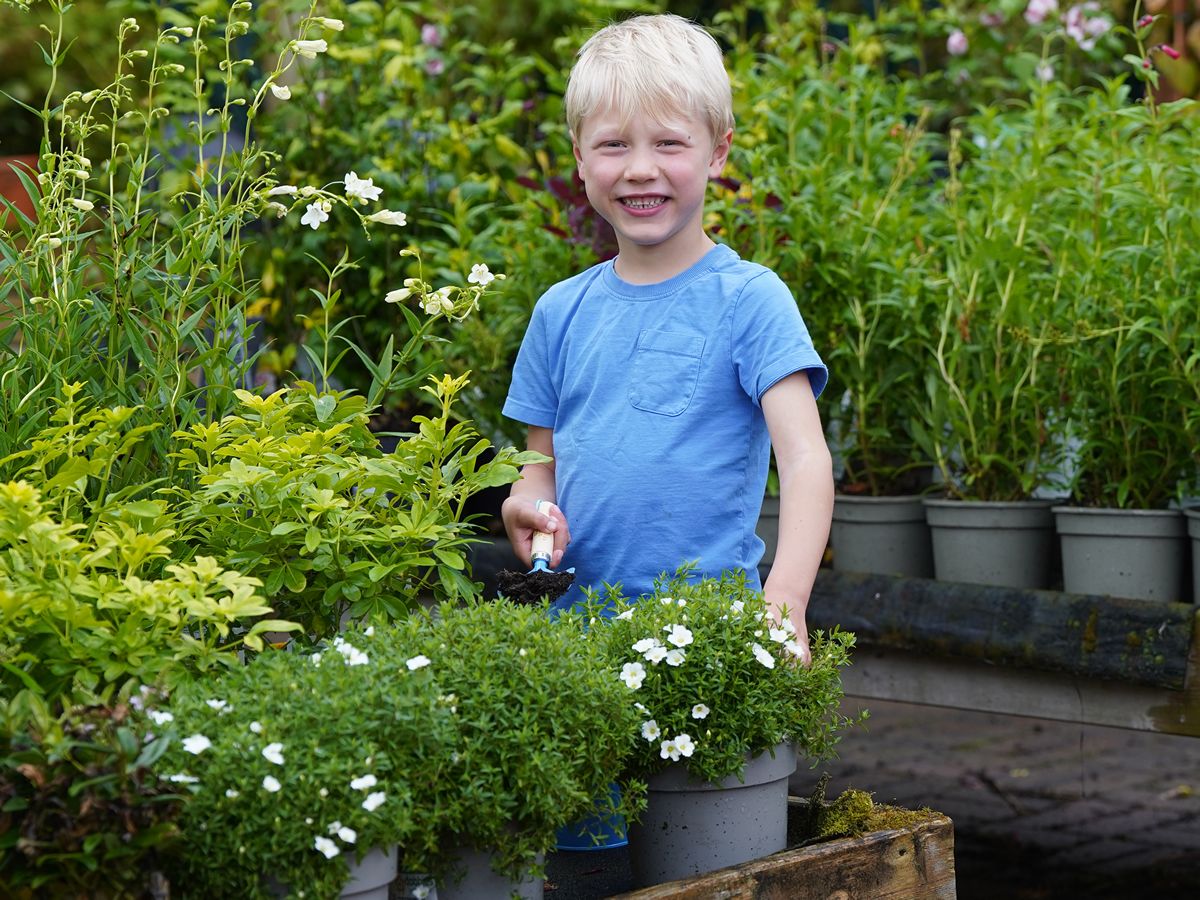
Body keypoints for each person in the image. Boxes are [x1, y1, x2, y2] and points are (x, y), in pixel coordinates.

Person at [500, 13, 832, 664]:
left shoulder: (750, 299)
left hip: (710, 642)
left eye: (670, 144)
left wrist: (785, 600)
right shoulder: (559, 312)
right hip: (576, 641)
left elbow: (805, 461)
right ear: (579, 155)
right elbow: (539, 465)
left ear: (718, 151)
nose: (640, 169)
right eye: (614, 145)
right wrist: (527, 509)